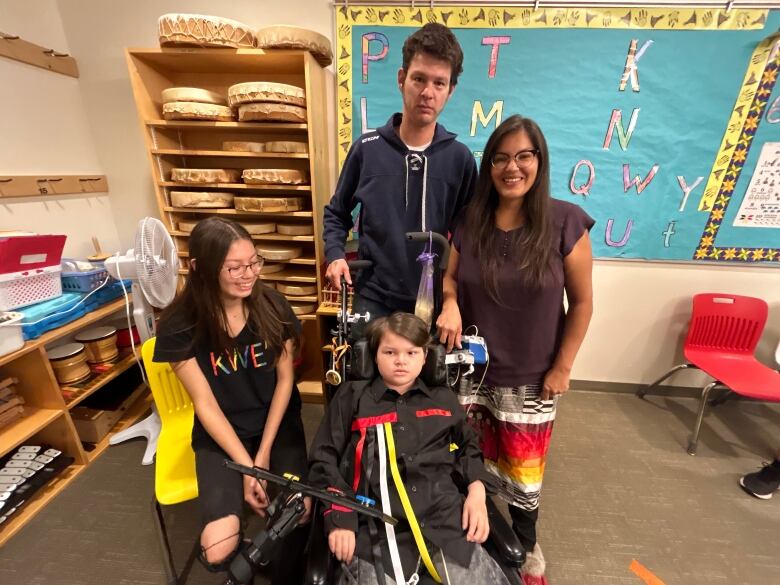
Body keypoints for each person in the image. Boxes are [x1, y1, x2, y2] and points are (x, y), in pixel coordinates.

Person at [437, 115, 595, 585]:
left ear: (539, 161)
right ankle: (469, 537)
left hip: (531, 373)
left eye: (524, 156)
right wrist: (448, 302)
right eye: (502, 157)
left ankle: (524, 548)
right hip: (469, 370)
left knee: (524, 478)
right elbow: (449, 276)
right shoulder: (469, 220)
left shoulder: (565, 222)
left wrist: (563, 366)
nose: (513, 167)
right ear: (489, 166)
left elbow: (583, 302)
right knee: (465, 459)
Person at [153, 217, 310, 583]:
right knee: (219, 548)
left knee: (297, 513)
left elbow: (286, 380)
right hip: (222, 433)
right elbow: (205, 405)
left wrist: (264, 453)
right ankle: (253, 552)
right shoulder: (179, 323)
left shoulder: (272, 305)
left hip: (277, 422)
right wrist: (248, 469)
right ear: (200, 268)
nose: (248, 274)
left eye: (254, 262)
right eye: (234, 267)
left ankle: (279, 562)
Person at [308, 312, 511, 585]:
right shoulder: (352, 397)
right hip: (376, 526)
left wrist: (476, 492)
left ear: (425, 357)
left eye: (411, 352)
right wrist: (340, 517)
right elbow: (323, 459)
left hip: (444, 522)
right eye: (389, 352)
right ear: (375, 354)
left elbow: (469, 448)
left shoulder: (444, 399)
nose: (400, 361)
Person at [323, 23, 477, 325]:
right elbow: (336, 213)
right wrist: (335, 254)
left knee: (428, 374)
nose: (427, 93)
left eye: (439, 83)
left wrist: (451, 300)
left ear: (450, 91)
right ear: (401, 79)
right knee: (367, 373)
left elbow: (469, 238)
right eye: (419, 79)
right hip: (373, 299)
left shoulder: (460, 159)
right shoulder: (366, 150)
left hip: (433, 306)